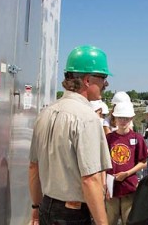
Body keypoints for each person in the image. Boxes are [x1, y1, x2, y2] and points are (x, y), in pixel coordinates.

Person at [29, 45, 113, 225]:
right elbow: (91, 180)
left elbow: (33, 168)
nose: (106, 84)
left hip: (46, 208)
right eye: (103, 77)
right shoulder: (87, 118)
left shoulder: (45, 114)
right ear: (88, 80)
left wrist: (35, 208)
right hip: (73, 215)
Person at [105, 102, 148, 225]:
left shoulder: (137, 138)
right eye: (120, 118)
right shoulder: (109, 138)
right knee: (109, 221)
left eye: (126, 118)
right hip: (111, 187)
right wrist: (105, 185)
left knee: (128, 221)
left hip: (129, 187)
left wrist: (127, 173)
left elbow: (143, 162)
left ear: (131, 119)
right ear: (115, 119)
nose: (123, 121)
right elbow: (103, 163)